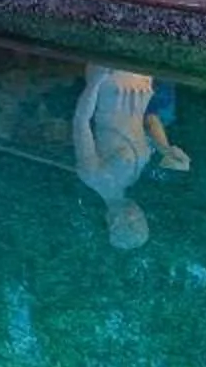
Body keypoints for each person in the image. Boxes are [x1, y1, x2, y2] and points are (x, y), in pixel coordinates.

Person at [71, 64, 190, 250]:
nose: (140, 215)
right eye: (143, 221)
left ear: (114, 223)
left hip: (110, 88)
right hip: (141, 87)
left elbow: (81, 122)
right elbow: (148, 121)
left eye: (135, 223)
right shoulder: (133, 179)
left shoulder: (93, 176)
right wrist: (166, 150)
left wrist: (95, 83)